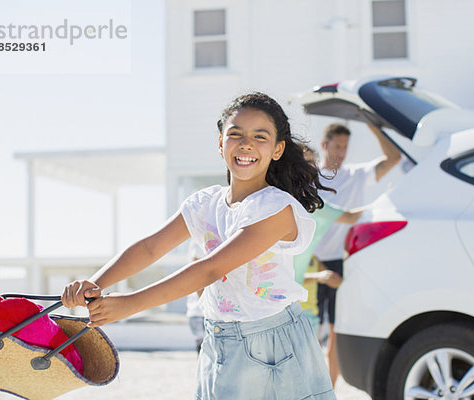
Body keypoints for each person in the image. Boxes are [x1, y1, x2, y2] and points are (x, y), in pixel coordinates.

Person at [61, 92, 337, 399]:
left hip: (275, 343)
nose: (246, 144)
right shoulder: (204, 203)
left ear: (277, 149)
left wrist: (131, 303)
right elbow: (150, 248)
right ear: (221, 144)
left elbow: (211, 269)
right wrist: (94, 283)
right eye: (235, 134)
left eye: (260, 136)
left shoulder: (275, 207)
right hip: (218, 340)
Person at [315, 122, 401, 386]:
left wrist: (374, 127)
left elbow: (394, 158)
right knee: (312, 334)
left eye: (345, 147)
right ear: (324, 145)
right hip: (313, 261)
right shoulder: (310, 177)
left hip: (343, 263)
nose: (341, 152)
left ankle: (328, 391)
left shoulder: (356, 174)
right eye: (337, 146)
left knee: (335, 333)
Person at [293, 145, 363, 335]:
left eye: (310, 163)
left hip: (297, 305)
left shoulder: (313, 204)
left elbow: (351, 217)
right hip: (276, 300)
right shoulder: (277, 199)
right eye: (303, 162)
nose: (309, 168)